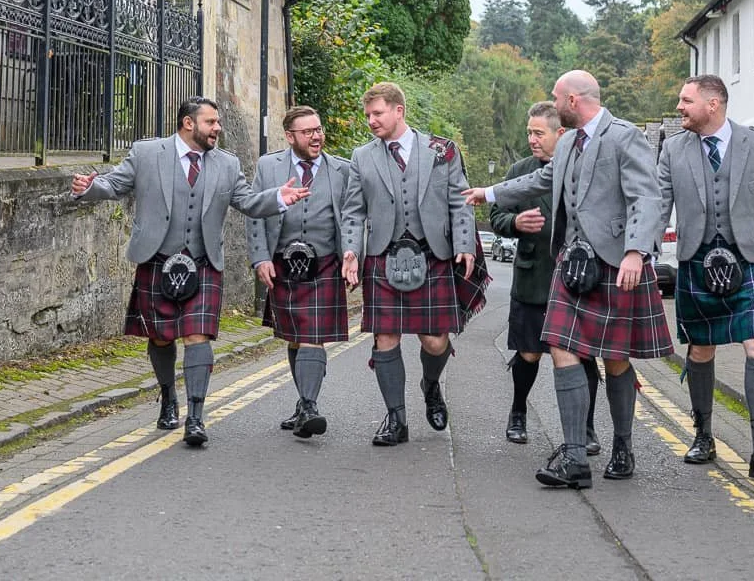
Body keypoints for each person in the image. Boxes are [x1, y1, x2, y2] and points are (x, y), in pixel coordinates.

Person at [465, 70, 671, 489]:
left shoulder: (623, 136)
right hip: (571, 264)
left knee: (615, 358)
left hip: (615, 263)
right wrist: (489, 193)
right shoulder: (571, 142)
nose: (553, 103)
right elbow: (540, 180)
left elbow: (646, 197)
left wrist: (636, 252)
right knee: (559, 346)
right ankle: (575, 455)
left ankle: (623, 445)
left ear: (574, 100)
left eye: (557, 98)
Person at [71, 97, 309, 447]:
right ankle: (168, 394)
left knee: (199, 336)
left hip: (203, 262)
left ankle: (196, 416)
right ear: (188, 123)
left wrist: (278, 197)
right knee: (162, 337)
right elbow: (113, 185)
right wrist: (88, 188)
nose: (218, 128)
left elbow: (246, 201)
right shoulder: (147, 153)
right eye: (211, 122)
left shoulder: (227, 164)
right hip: (157, 258)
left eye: (218, 122)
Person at [656, 74, 754, 479]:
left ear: (713, 104)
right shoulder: (673, 149)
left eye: (686, 100)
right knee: (702, 348)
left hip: (749, 260)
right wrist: (642, 254)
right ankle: (703, 435)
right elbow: (658, 205)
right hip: (696, 260)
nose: (679, 107)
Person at [341, 82, 479, 446]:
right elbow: (353, 212)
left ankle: (431, 384)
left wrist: (465, 244)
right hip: (384, 257)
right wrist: (351, 251)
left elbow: (460, 201)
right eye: (368, 115)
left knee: (435, 341)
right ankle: (396, 418)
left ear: (398, 111)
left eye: (378, 113)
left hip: (431, 254)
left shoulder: (440, 150)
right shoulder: (362, 157)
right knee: (385, 337)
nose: (371, 121)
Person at [489, 101, 603, 453]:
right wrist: (515, 224)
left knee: (581, 355)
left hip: (576, 280)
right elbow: (496, 216)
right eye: (529, 133)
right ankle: (518, 412)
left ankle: (586, 428)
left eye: (539, 133)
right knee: (528, 354)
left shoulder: (584, 168)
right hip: (533, 276)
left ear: (561, 134)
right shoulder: (519, 170)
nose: (532, 140)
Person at [247, 105, 354, 439]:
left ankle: (309, 405)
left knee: (312, 337)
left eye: (319, 129)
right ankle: (303, 405)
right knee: (294, 337)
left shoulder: (342, 170)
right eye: (308, 132)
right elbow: (255, 213)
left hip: (324, 263)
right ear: (290, 136)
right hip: (282, 262)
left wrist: (353, 255)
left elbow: (352, 217)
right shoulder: (268, 166)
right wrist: (260, 258)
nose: (317, 136)